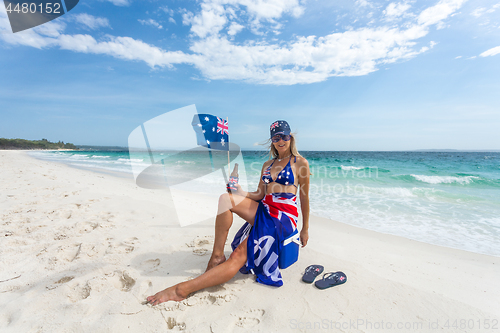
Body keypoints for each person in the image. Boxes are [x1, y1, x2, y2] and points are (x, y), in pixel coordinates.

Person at [146, 120, 310, 305]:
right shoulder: (267, 165)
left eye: (285, 136)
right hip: (265, 208)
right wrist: (240, 191)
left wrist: (304, 229)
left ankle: (181, 290)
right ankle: (217, 256)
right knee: (226, 199)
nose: (281, 141)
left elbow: (304, 198)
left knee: (240, 253)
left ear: (291, 137)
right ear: (272, 140)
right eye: (276, 137)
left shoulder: (300, 163)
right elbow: (260, 194)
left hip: (283, 218)